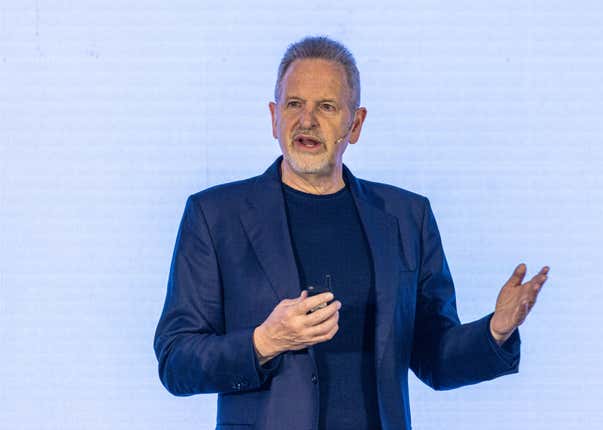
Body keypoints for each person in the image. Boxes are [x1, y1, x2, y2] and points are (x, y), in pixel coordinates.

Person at [153, 36, 549, 430]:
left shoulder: (407, 217)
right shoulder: (215, 215)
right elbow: (176, 360)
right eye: (294, 104)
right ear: (273, 117)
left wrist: (495, 330)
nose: (306, 120)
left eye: (326, 106)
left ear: (355, 124)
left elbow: (434, 356)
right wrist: (264, 342)